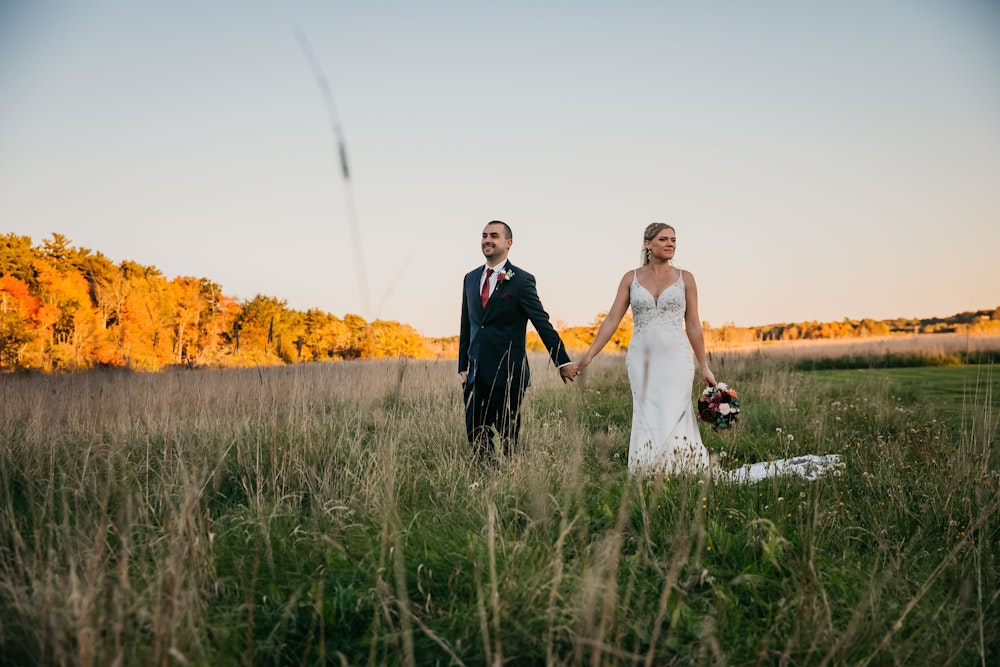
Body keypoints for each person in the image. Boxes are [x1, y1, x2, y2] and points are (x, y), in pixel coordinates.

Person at [578, 223, 841, 482]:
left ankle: (682, 468)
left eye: (673, 239)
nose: (670, 244)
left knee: (676, 410)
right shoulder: (631, 278)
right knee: (646, 410)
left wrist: (704, 365)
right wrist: (588, 357)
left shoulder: (685, 278)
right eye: (663, 239)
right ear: (648, 244)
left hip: (676, 358)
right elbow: (612, 320)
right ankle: (647, 470)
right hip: (641, 359)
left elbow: (693, 324)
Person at [459, 221, 579, 464]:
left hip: (508, 374)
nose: (487, 240)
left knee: (509, 436)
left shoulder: (521, 280)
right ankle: (488, 476)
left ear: (508, 243)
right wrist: (463, 366)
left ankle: (513, 477)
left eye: (494, 235)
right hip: (475, 373)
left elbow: (542, 323)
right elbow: (466, 324)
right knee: (475, 432)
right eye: (484, 235)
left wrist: (562, 361)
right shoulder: (470, 279)